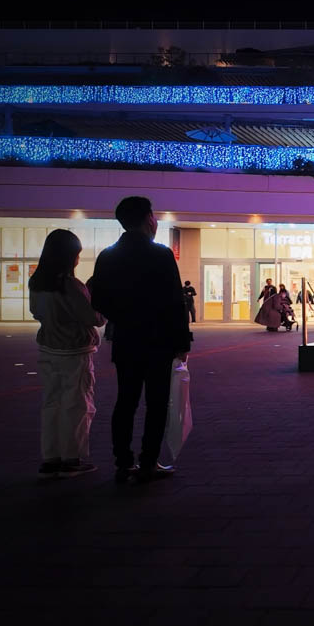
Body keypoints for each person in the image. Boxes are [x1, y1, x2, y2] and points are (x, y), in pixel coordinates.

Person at [88, 196, 193, 484]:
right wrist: (182, 343)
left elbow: (99, 299)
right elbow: (175, 302)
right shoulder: (160, 255)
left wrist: (123, 316)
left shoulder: (108, 256)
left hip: (127, 338)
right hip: (158, 340)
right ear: (149, 219)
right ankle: (149, 462)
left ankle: (123, 462)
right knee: (156, 402)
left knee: (126, 400)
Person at [29, 230, 106, 478]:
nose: (77, 260)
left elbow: (35, 312)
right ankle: (72, 458)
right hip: (75, 351)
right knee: (77, 405)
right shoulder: (71, 286)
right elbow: (92, 318)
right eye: (76, 254)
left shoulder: (37, 283)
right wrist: (98, 303)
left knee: (52, 403)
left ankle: (51, 457)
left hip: (48, 349)